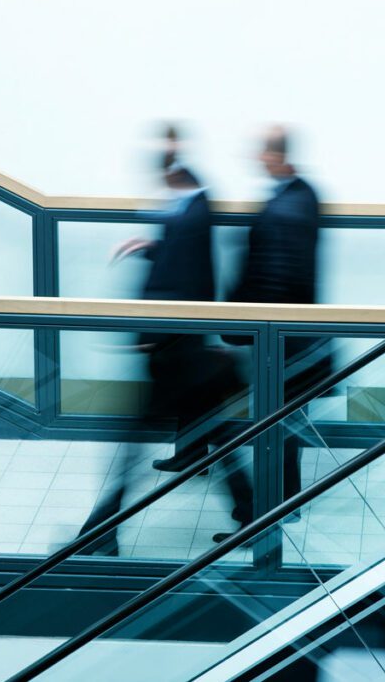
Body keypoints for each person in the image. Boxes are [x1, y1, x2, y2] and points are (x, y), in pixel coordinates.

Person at [79, 127, 239, 554]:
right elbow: (181, 264)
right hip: (182, 349)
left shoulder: (190, 215)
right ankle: (252, 514)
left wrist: (145, 337)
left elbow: (184, 280)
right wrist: (150, 248)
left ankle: (101, 532)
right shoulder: (190, 210)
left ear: (174, 173)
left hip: (174, 352)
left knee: (134, 443)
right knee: (218, 436)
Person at [214, 125, 332, 543]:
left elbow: (277, 276)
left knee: (276, 420)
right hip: (291, 334)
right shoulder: (304, 194)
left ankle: (271, 509)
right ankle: (278, 503)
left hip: (280, 335)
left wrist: (242, 324)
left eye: (261, 153)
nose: (256, 160)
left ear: (273, 155)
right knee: (282, 420)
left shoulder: (286, 207)